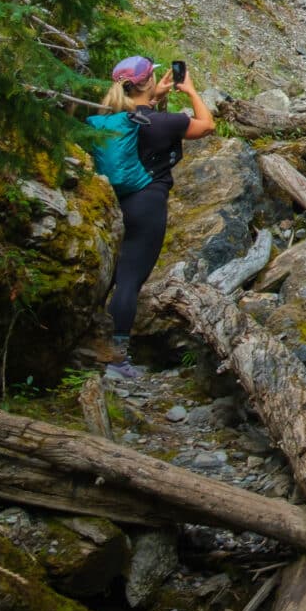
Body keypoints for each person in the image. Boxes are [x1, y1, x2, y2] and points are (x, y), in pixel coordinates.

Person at [87, 54, 215, 380]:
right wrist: (191, 91)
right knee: (130, 282)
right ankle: (117, 360)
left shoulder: (114, 121)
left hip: (117, 204)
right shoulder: (164, 123)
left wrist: (154, 97)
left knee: (114, 278)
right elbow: (207, 125)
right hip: (149, 206)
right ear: (144, 83)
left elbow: (141, 122)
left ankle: (95, 348)